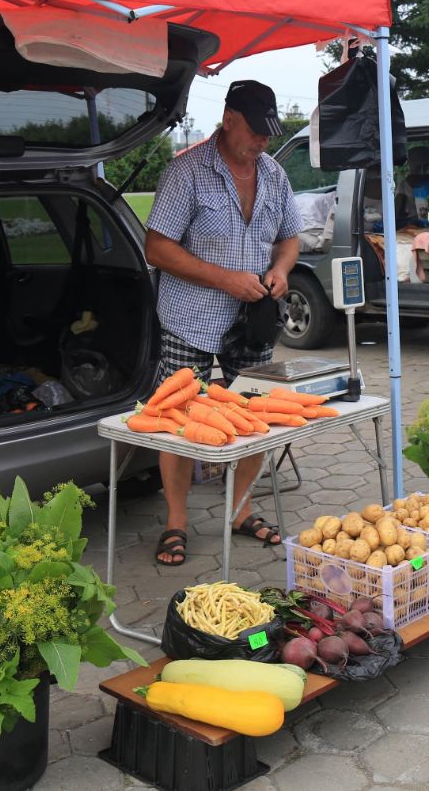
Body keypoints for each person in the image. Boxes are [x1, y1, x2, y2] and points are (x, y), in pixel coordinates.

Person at [143, 80, 301, 565]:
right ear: (229, 118)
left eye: (268, 134)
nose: (262, 143)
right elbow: (157, 248)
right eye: (255, 131)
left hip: (252, 321)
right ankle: (175, 521)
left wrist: (280, 271)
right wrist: (225, 280)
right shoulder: (186, 171)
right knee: (177, 421)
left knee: (255, 415)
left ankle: (240, 509)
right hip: (190, 318)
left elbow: (290, 237)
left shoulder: (273, 174)